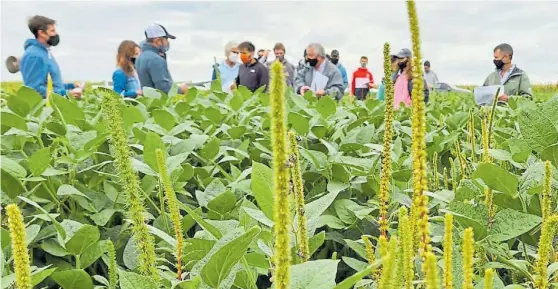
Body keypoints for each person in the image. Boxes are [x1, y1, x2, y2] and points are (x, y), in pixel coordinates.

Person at [19, 15, 81, 99]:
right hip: (46, 110)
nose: (55, 34)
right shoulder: (34, 55)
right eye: (52, 31)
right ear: (41, 33)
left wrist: (71, 86)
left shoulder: (45, 53)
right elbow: (34, 89)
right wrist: (65, 94)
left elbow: (51, 85)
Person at [135, 23, 187, 95]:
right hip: (159, 103)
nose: (167, 42)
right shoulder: (155, 59)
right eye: (166, 39)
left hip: (148, 102)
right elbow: (164, 88)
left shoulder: (140, 57)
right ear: (157, 41)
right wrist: (181, 89)